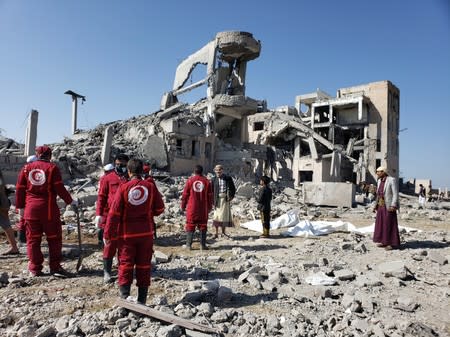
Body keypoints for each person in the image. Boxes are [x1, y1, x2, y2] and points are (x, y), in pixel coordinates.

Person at [104, 158, 165, 304]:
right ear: (142, 170)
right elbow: (160, 209)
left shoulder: (124, 187)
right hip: (146, 234)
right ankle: (142, 300)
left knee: (125, 264)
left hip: (127, 235)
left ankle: (125, 298)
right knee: (144, 265)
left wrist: (108, 234)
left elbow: (114, 213)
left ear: (129, 171)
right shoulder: (150, 186)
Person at [15, 145, 76, 276]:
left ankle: (35, 269)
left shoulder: (26, 168)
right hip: (48, 211)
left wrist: (20, 207)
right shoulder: (52, 168)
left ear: (37, 155)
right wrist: (71, 201)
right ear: (50, 155)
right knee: (54, 239)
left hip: (30, 211)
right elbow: (60, 189)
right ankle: (55, 267)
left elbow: (19, 189)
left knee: (33, 240)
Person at [95, 153, 129, 283]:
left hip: (126, 217)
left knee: (125, 245)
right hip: (111, 217)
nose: (121, 167)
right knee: (109, 244)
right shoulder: (108, 179)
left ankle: (123, 270)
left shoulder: (130, 178)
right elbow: (101, 197)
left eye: (123, 165)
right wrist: (99, 214)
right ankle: (107, 272)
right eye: (118, 164)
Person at [181, 165, 213, 250]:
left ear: (194, 172)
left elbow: (185, 195)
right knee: (203, 225)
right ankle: (202, 245)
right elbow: (210, 196)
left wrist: (183, 206)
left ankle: (188, 245)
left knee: (190, 224)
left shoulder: (190, 181)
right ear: (202, 172)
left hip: (192, 208)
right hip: (203, 208)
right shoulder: (206, 182)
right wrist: (209, 207)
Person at [372, 166, 400, 250]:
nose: (377, 173)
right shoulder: (379, 181)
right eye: (377, 171)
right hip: (381, 206)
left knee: (389, 224)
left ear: (383, 172)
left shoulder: (391, 180)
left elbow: (395, 194)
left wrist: (393, 205)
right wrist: (375, 206)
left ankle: (391, 243)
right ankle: (384, 241)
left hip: (389, 206)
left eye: (379, 171)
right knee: (381, 224)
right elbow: (378, 194)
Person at [211, 164, 236, 239]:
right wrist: (212, 200)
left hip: (225, 199)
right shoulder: (213, 179)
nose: (218, 171)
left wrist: (231, 196)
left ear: (222, 170)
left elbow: (233, 188)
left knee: (224, 216)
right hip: (216, 200)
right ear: (215, 171)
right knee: (216, 216)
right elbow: (211, 190)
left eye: (219, 170)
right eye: (216, 170)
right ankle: (216, 233)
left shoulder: (228, 178)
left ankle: (223, 232)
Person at [0, 168, 19, 255]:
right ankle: (14, 248)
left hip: (1, 204)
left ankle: (14, 248)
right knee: (6, 226)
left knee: (6, 226)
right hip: (3, 203)